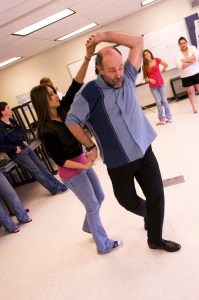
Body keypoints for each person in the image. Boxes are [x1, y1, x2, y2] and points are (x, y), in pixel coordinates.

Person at [65, 31, 181, 252]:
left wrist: (104, 36)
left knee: (157, 194)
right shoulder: (90, 92)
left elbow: (138, 42)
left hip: (144, 150)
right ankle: (149, 212)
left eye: (120, 67)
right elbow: (71, 121)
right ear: (99, 69)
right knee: (127, 201)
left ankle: (155, 238)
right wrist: (89, 145)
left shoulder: (128, 74)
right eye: (112, 70)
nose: (118, 73)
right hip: (118, 161)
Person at [30, 44, 122, 255]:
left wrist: (88, 58)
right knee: (92, 206)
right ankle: (104, 245)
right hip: (72, 172)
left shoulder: (63, 110)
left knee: (99, 197)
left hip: (82, 162)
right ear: (42, 101)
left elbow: (75, 84)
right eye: (51, 94)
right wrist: (86, 163)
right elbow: (60, 161)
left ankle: (88, 226)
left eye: (54, 92)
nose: (55, 95)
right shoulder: (45, 130)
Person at [0, 102, 68, 195]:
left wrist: (23, 139)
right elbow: (1, 145)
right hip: (18, 153)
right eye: (8, 107)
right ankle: (55, 189)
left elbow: (20, 131)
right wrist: (14, 148)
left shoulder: (12, 121)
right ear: (3, 112)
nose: (10, 108)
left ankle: (58, 184)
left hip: (25, 148)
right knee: (36, 171)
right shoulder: (0, 127)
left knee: (42, 167)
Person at [142, 49, 173, 125]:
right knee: (158, 102)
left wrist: (161, 72)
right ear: (144, 57)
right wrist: (149, 79)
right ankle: (161, 118)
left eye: (147, 54)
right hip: (152, 87)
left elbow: (166, 65)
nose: (146, 56)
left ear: (150, 54)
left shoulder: (157, 60)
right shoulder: (144, 66)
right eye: (145, 55)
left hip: (160, 83)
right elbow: (145, 78)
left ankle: (169, 116)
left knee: (165, 101)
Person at [175, 36, 199, 114]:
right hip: (186, 76)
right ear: (179, 45)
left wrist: (185, 60)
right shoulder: (177, 54)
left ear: (186, 43)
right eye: (181, 44)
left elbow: (197, 57)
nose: (183, 45)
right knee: (191, 92)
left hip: (196, 72)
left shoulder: (192, 48)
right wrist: (192, 59)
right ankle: (194, 108)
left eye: (184, 43)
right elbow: (180, 66)